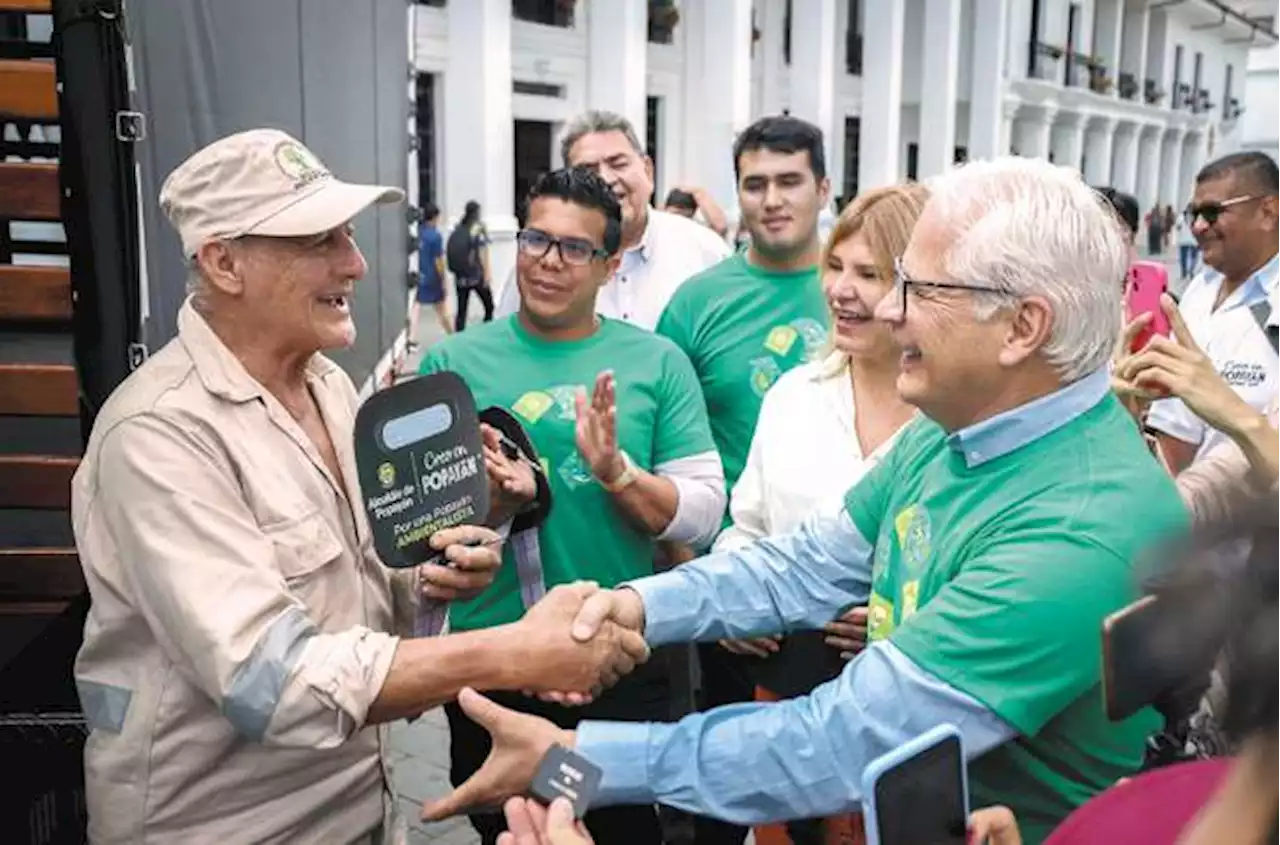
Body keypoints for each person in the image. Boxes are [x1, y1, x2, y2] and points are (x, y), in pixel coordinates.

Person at [420, 156, 1191, 845]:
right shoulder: (960, 429)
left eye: (918, 289)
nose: (889, 311)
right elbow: (804, 565)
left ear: (1024, 326)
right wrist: (630, 607)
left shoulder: (1079, 527)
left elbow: (841, 743)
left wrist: (570, 761)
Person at [70, 129, 648, 844]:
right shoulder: (159, 434)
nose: (356, 261)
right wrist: (513, 649)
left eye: (347, 233)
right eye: (319, 241)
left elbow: (363, 590)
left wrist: (434, 578)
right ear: (223, 262)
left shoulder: (330, 388)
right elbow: (269, 679)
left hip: (363, 808)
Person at [418, 167, 725, 845]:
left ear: (611, 264)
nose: (548, 261)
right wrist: (492, 504)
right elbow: (418, 526)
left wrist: (617, 473)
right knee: (505, 825)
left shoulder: (656, 362)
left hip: (611, 658)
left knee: (608, 820)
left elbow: (703, 512)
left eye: (574, 248)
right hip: (494, 657)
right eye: (535, 239)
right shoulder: (450, 360)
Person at [711, 184, 927, 843]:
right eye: (835, 267)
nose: (841, 290)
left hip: (907, 718)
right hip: (788, 695)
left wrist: (900, 624)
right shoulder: (794, 396)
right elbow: (743, 526)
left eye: (870, 273)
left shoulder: (953, 417)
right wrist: (735, 603)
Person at [653, 113, 834, 845]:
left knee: (838, 803)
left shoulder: (863, 291)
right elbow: (662, 450)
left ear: (824, 187)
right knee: (724, 796)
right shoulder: (698, 305)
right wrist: (704, 579)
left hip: (856, 605)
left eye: (790, 180)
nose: (771, 199)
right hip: (738, 600)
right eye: (754, 183)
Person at [494, 110, 730, 330]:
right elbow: (506, 346)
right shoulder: (541, 265)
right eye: (588, 170)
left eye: (618, 164)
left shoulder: (705, 252)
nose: (606, 178)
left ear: (647, 170)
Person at [1146, 152, 1280, 476]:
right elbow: (1174, 428)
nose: (1198, 226)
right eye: (1192, 214)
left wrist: (1223, 403)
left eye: (1212, 213)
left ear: (1268, 211)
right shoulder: (1199, 291)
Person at [408, 200, 451, 347]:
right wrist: (443, 278)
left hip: (419, 274)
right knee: (442, 308)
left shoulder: (418, 232)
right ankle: (453, 334)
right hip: (433, 276)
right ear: (435, 217)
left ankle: (411, 337)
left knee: (416, 306)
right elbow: (438, 260)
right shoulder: (436, 236)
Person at [448, 199, 495, 331]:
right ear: (477, 212)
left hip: (461, 277)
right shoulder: (478, 227)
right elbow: (482, 251)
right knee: (489, 306)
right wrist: (487, 273)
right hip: (476, 275)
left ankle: (459, 338)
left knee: (461, 310)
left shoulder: (459, 227)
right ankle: (487, 330)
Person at [663, 185, 730, 238]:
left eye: (685, 217)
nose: (680, 220)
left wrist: (701, 194)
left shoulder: (696, 234)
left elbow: (720, 227)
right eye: (675, 215)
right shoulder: (659, 230)